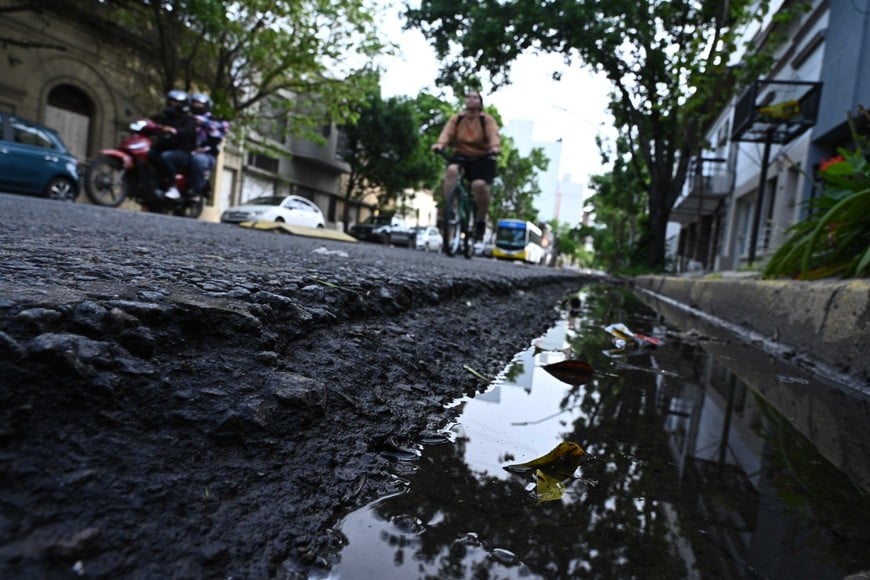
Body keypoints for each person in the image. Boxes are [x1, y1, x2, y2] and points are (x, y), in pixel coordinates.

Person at [432, 90, 501, 243]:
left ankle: (481, 220)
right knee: (451, 170)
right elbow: (446, 134)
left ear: (480, 103)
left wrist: (495, 147)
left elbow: (493, 135)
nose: (471, 99)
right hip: (461, 156)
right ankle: (450, 206)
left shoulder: (486, 120)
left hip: (483, 157)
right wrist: (440, 144)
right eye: (468, 97)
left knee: (479, 185)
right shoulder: (457, 119)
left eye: (475, 97)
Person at [149, 89, 197, 200]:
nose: (172, 105)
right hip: (164, 148)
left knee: (166, 157)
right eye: (170, 102)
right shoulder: (165, 118)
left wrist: (175, 130)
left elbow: (188, 131)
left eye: (175, 102)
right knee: (150, 153)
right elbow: (154, 124)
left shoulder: (188, 119)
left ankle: (173, 187)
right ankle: (154, 184)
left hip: (183, 153)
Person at [189, 92, 230, 198]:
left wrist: (204, 123)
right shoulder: (186, 118)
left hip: (206, 155)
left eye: (199, 103)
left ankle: (198, 189)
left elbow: (221, 131)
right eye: (194, 103)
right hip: (187, 151)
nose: (196, 106)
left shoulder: (213, 121)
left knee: (198, 161)